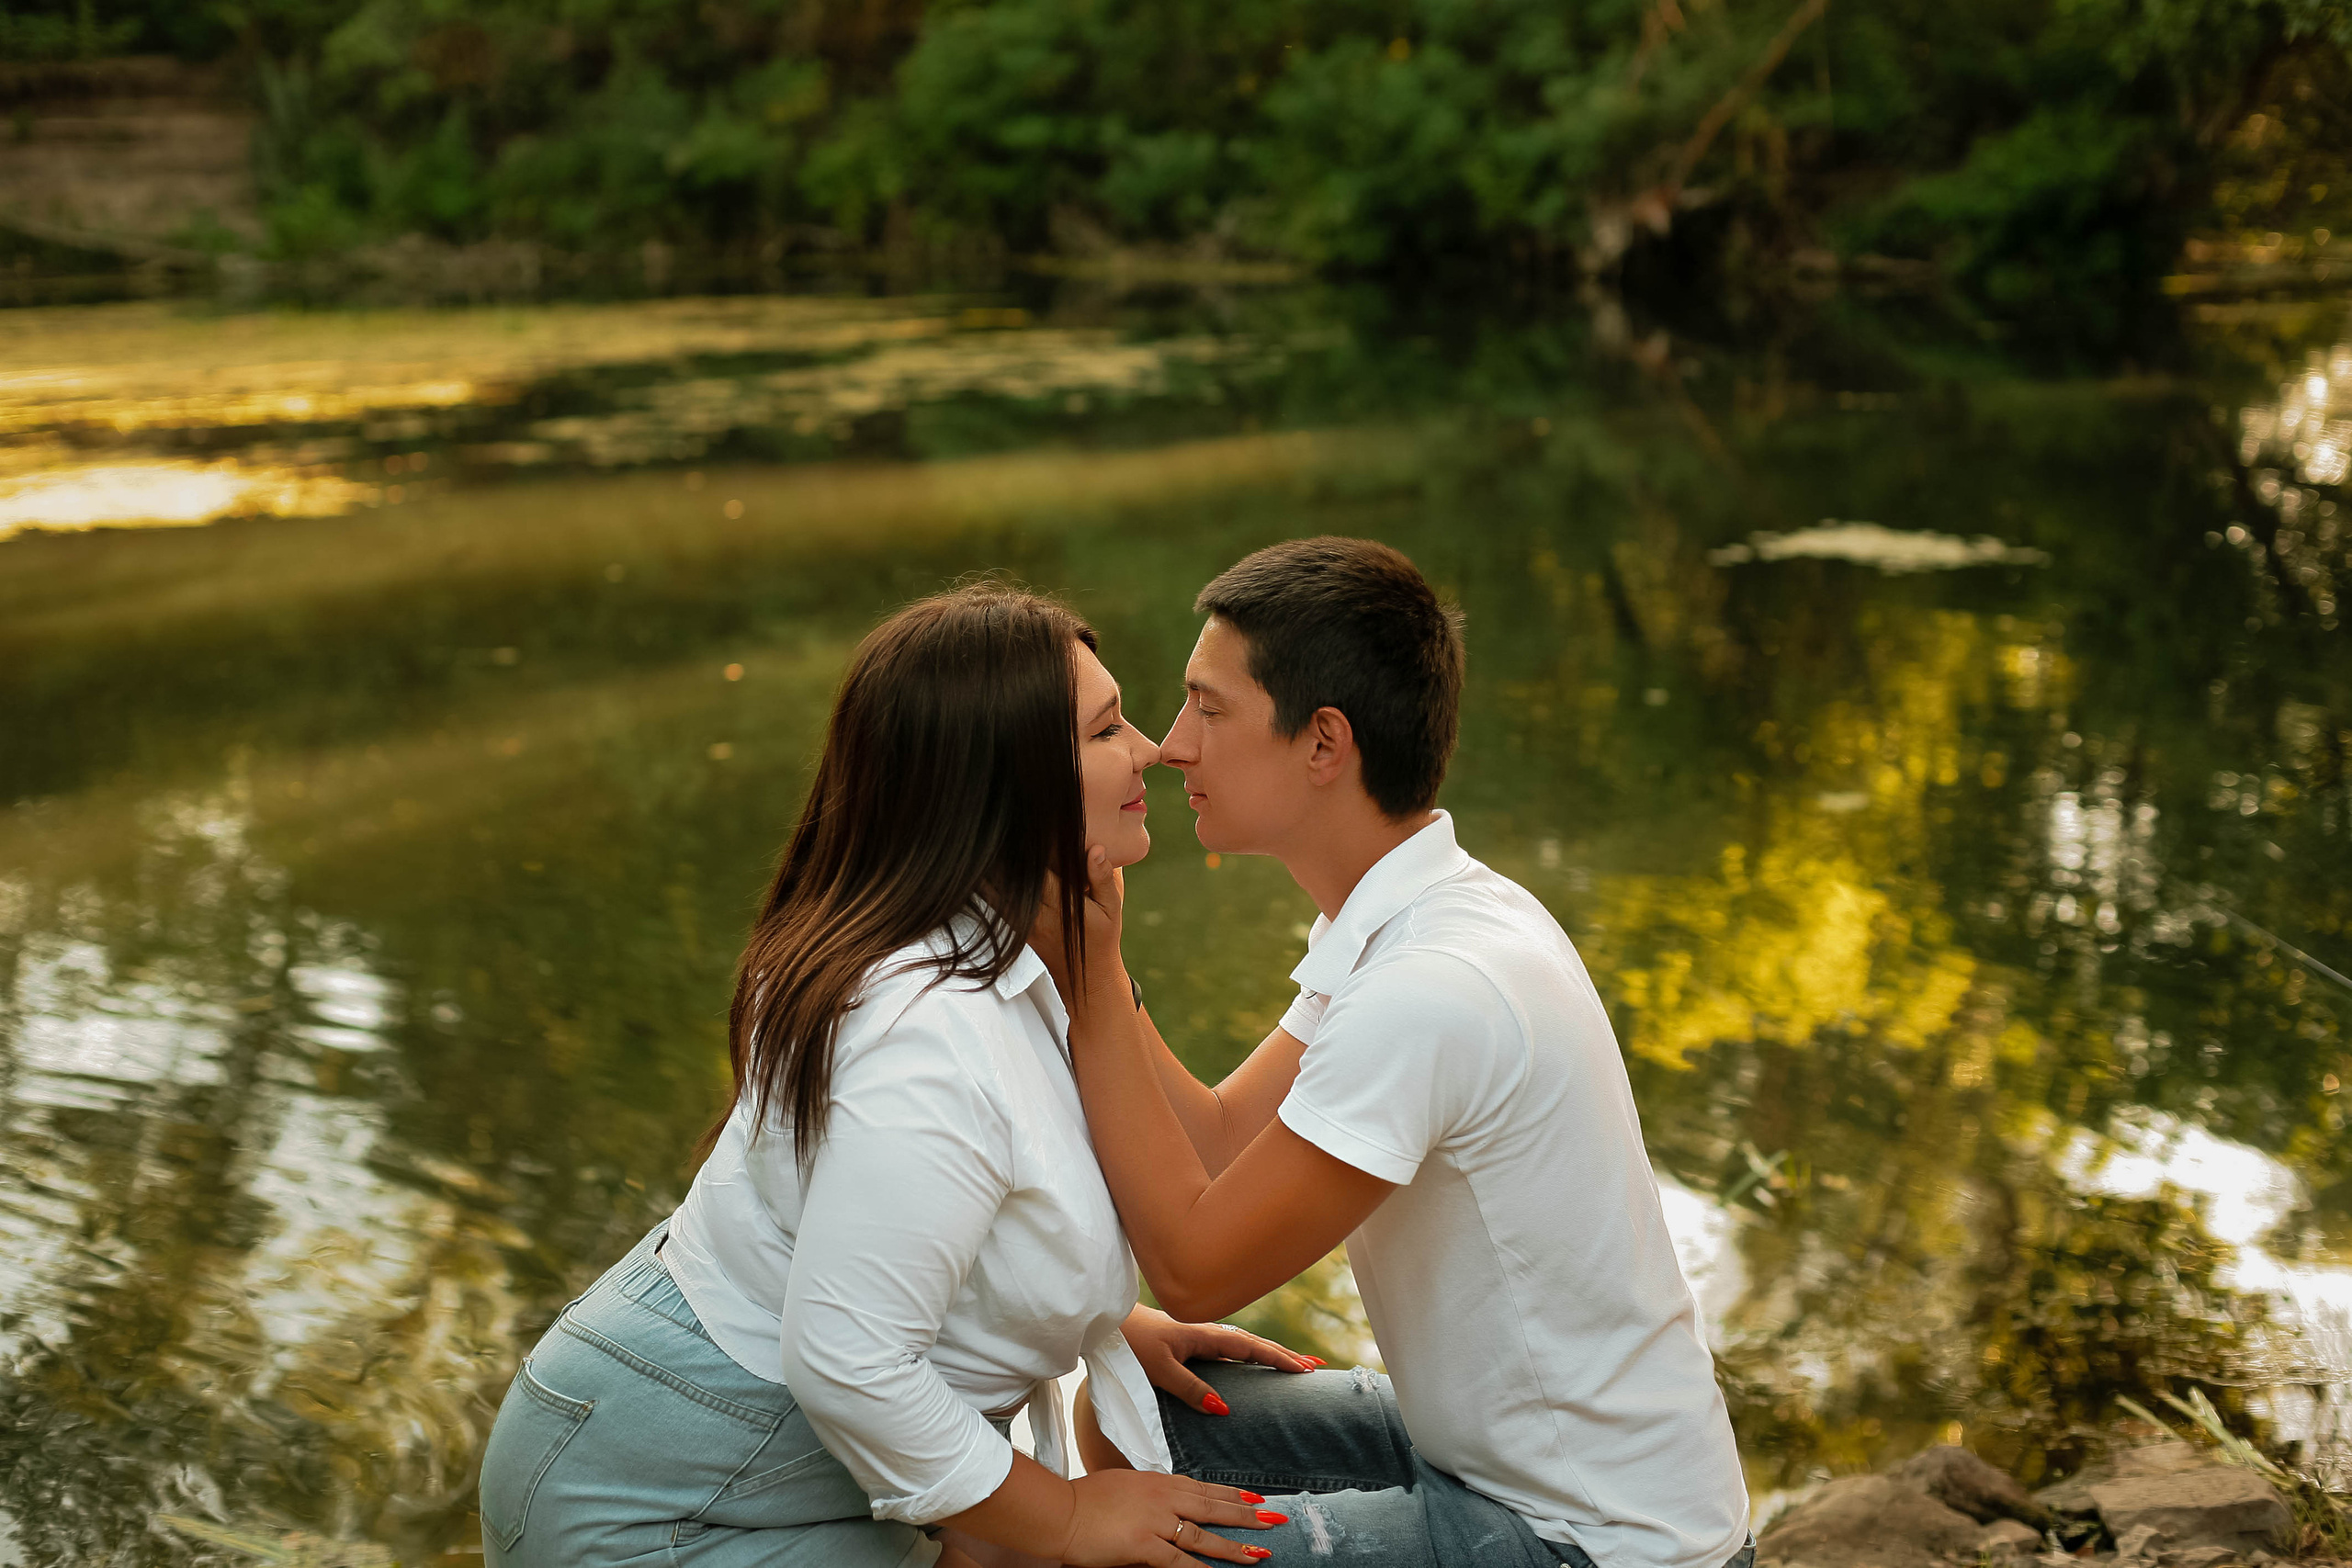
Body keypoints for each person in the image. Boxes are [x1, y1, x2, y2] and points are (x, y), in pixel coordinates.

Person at [477, 583, 1309, 1568]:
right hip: (660, 1498)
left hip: (782, 1471)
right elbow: (848, 1359)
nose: (1152, 750)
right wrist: (1071, 1516)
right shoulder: (923, 1029)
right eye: (1104, 730)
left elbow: (959, 1212)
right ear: (998, 783)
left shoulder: (1023, 948)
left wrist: (1099, 1323)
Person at [1061, 538, 1752, 1568]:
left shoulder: (1431, 985)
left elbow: (1195, 1270)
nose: (1171, 747)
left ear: (1323, 743)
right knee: (1132, 1418)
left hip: (1598, 1539)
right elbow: (1215, 1143)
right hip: (1484, 1460)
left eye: (1208, 708)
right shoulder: (1408, 918)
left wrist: (1084, 976)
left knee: (1131, 1550)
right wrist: (1098, 960)